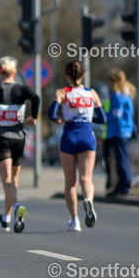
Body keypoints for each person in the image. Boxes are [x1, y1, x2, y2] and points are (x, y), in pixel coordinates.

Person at [0, 56, 40, 232]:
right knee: (13, 181)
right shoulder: (22, 89)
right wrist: (34, 117)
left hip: (1, 137)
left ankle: (16, 207)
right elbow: (36, 98)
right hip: (19, 137)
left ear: (0, 71)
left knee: (6, 180)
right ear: (15, 72)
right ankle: (6, 219)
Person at [48, 60, 105, 231]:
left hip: (69, 136)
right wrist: (87, 117)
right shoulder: (91, 93)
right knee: (86, 179)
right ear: (83, 75)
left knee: (70, 182)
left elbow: (51, 114)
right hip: (87, 135)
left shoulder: (62, 92)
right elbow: (103, 119)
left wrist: (59, 118)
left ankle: (74, 220)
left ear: (67, 76)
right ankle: (88, 200)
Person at [105, 68, 136, 197]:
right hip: (123, 130)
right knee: (121, 158)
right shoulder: (126, 93)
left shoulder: (117, 95)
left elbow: (116, 113)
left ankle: (124, 186)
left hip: (119, 130)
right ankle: (121, 185)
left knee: (121, 159)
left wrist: (105, 118)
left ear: (113, 81)